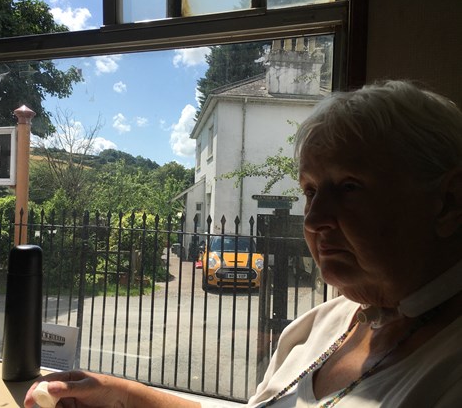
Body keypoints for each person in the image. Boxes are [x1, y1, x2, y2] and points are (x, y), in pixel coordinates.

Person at [24, 80, 462, 408]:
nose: (314, 219)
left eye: (349, 187)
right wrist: (123, 396)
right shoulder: (320, 325)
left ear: (447, 202)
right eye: (310, 191)